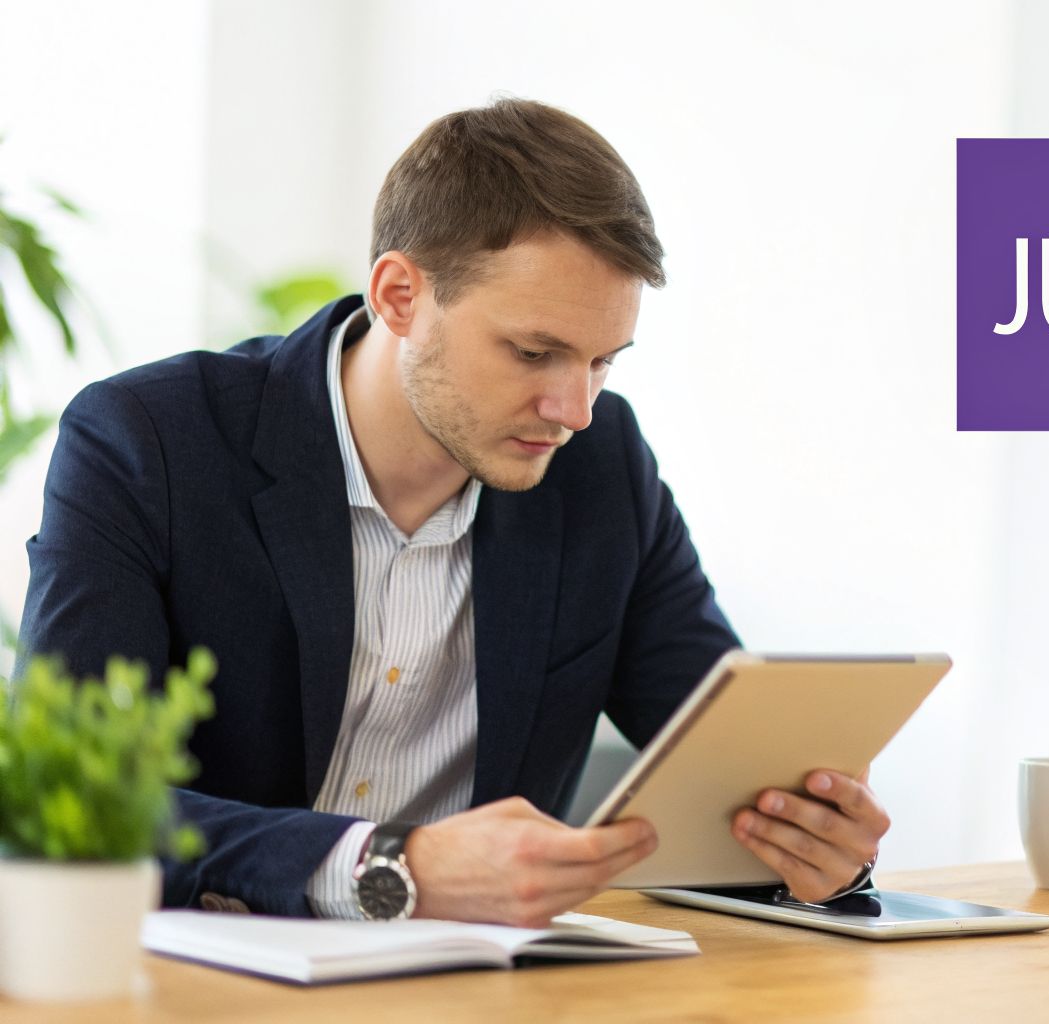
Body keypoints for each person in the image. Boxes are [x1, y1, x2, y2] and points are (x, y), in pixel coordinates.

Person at [17, 97, 887, 925]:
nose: (575, 409)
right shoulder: (150, 444)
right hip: (195, 984)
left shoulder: (602, 467)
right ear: (399, 295)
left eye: (602, 362)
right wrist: (393, 867)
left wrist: (821, 847)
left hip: (482, 989)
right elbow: (71, 802)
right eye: (535, 352)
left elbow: (730, 770)